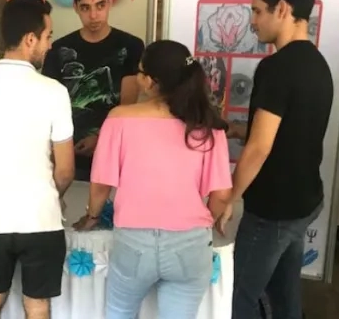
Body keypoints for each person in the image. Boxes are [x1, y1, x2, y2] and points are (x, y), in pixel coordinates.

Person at [72, 40, 232, 319]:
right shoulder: (206, 122)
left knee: (119, 314)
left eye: (140, 71)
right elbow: (220, 195)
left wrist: (91, 217)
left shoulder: (120, 118)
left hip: (134, 244)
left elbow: (100, 186)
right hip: (191, 245)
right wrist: (200, 221)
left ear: (149, 81)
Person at [223, 0, 333, 319]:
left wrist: (229, 197)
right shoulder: (318, 63)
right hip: (304, 200)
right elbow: (295, 127)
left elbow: (260, 148)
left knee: (240, 296)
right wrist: (242, 129)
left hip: (273, 209)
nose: (252, 21)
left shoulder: (276, 67)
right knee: (284, 292)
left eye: (257, 11)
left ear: (282, 9)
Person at [0, 0, 75, 319]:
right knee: (36, 305)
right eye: (48, 36)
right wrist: (50, 195)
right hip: (41, 218)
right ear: (30, 39)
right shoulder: (54, 92)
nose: (49, 45)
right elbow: (65, 171)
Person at [41, 0, 145, 180]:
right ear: (76, 8)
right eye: (86, 8)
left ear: (110, 2)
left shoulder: (131, 46)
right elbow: (49, 105)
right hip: (67, 152)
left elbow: (128, 104)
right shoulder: (58, 49)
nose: (94, 16)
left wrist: (101, 138)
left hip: (114, 151)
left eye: (100, 5)